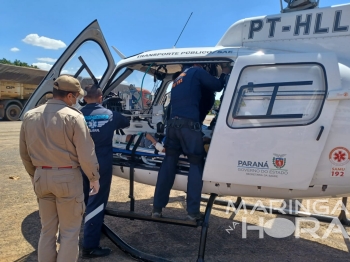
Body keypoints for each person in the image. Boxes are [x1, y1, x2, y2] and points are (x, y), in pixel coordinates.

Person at [19, 75, 100, 262]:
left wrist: (35, 175)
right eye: (76, 97)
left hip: (41, 177)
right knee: (70, 232)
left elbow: (24, 154)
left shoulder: (30, 116)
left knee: (47, 231)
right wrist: (94, 177)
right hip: (67, 178)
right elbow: (86, 153)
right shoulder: (74, 117)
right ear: (70, 96)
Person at [152, 63, 229, 220]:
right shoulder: (196, 71)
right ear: (198, 65)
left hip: (173, 126)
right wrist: (225, 72)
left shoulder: (177, 79)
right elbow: (218, 86)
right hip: (189, 127)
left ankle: (157, 208)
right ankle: (193, 212)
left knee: (168, 163)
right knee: (195, 162)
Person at [80, 85, 130, 259]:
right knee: (96, 202)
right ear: (101, 97)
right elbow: (126, 122)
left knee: (83, 200)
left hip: (78, 163)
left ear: (84, 98)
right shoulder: (111, 115)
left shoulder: (76, 115)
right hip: (101, 164)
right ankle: (90, 246)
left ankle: (87, 232)